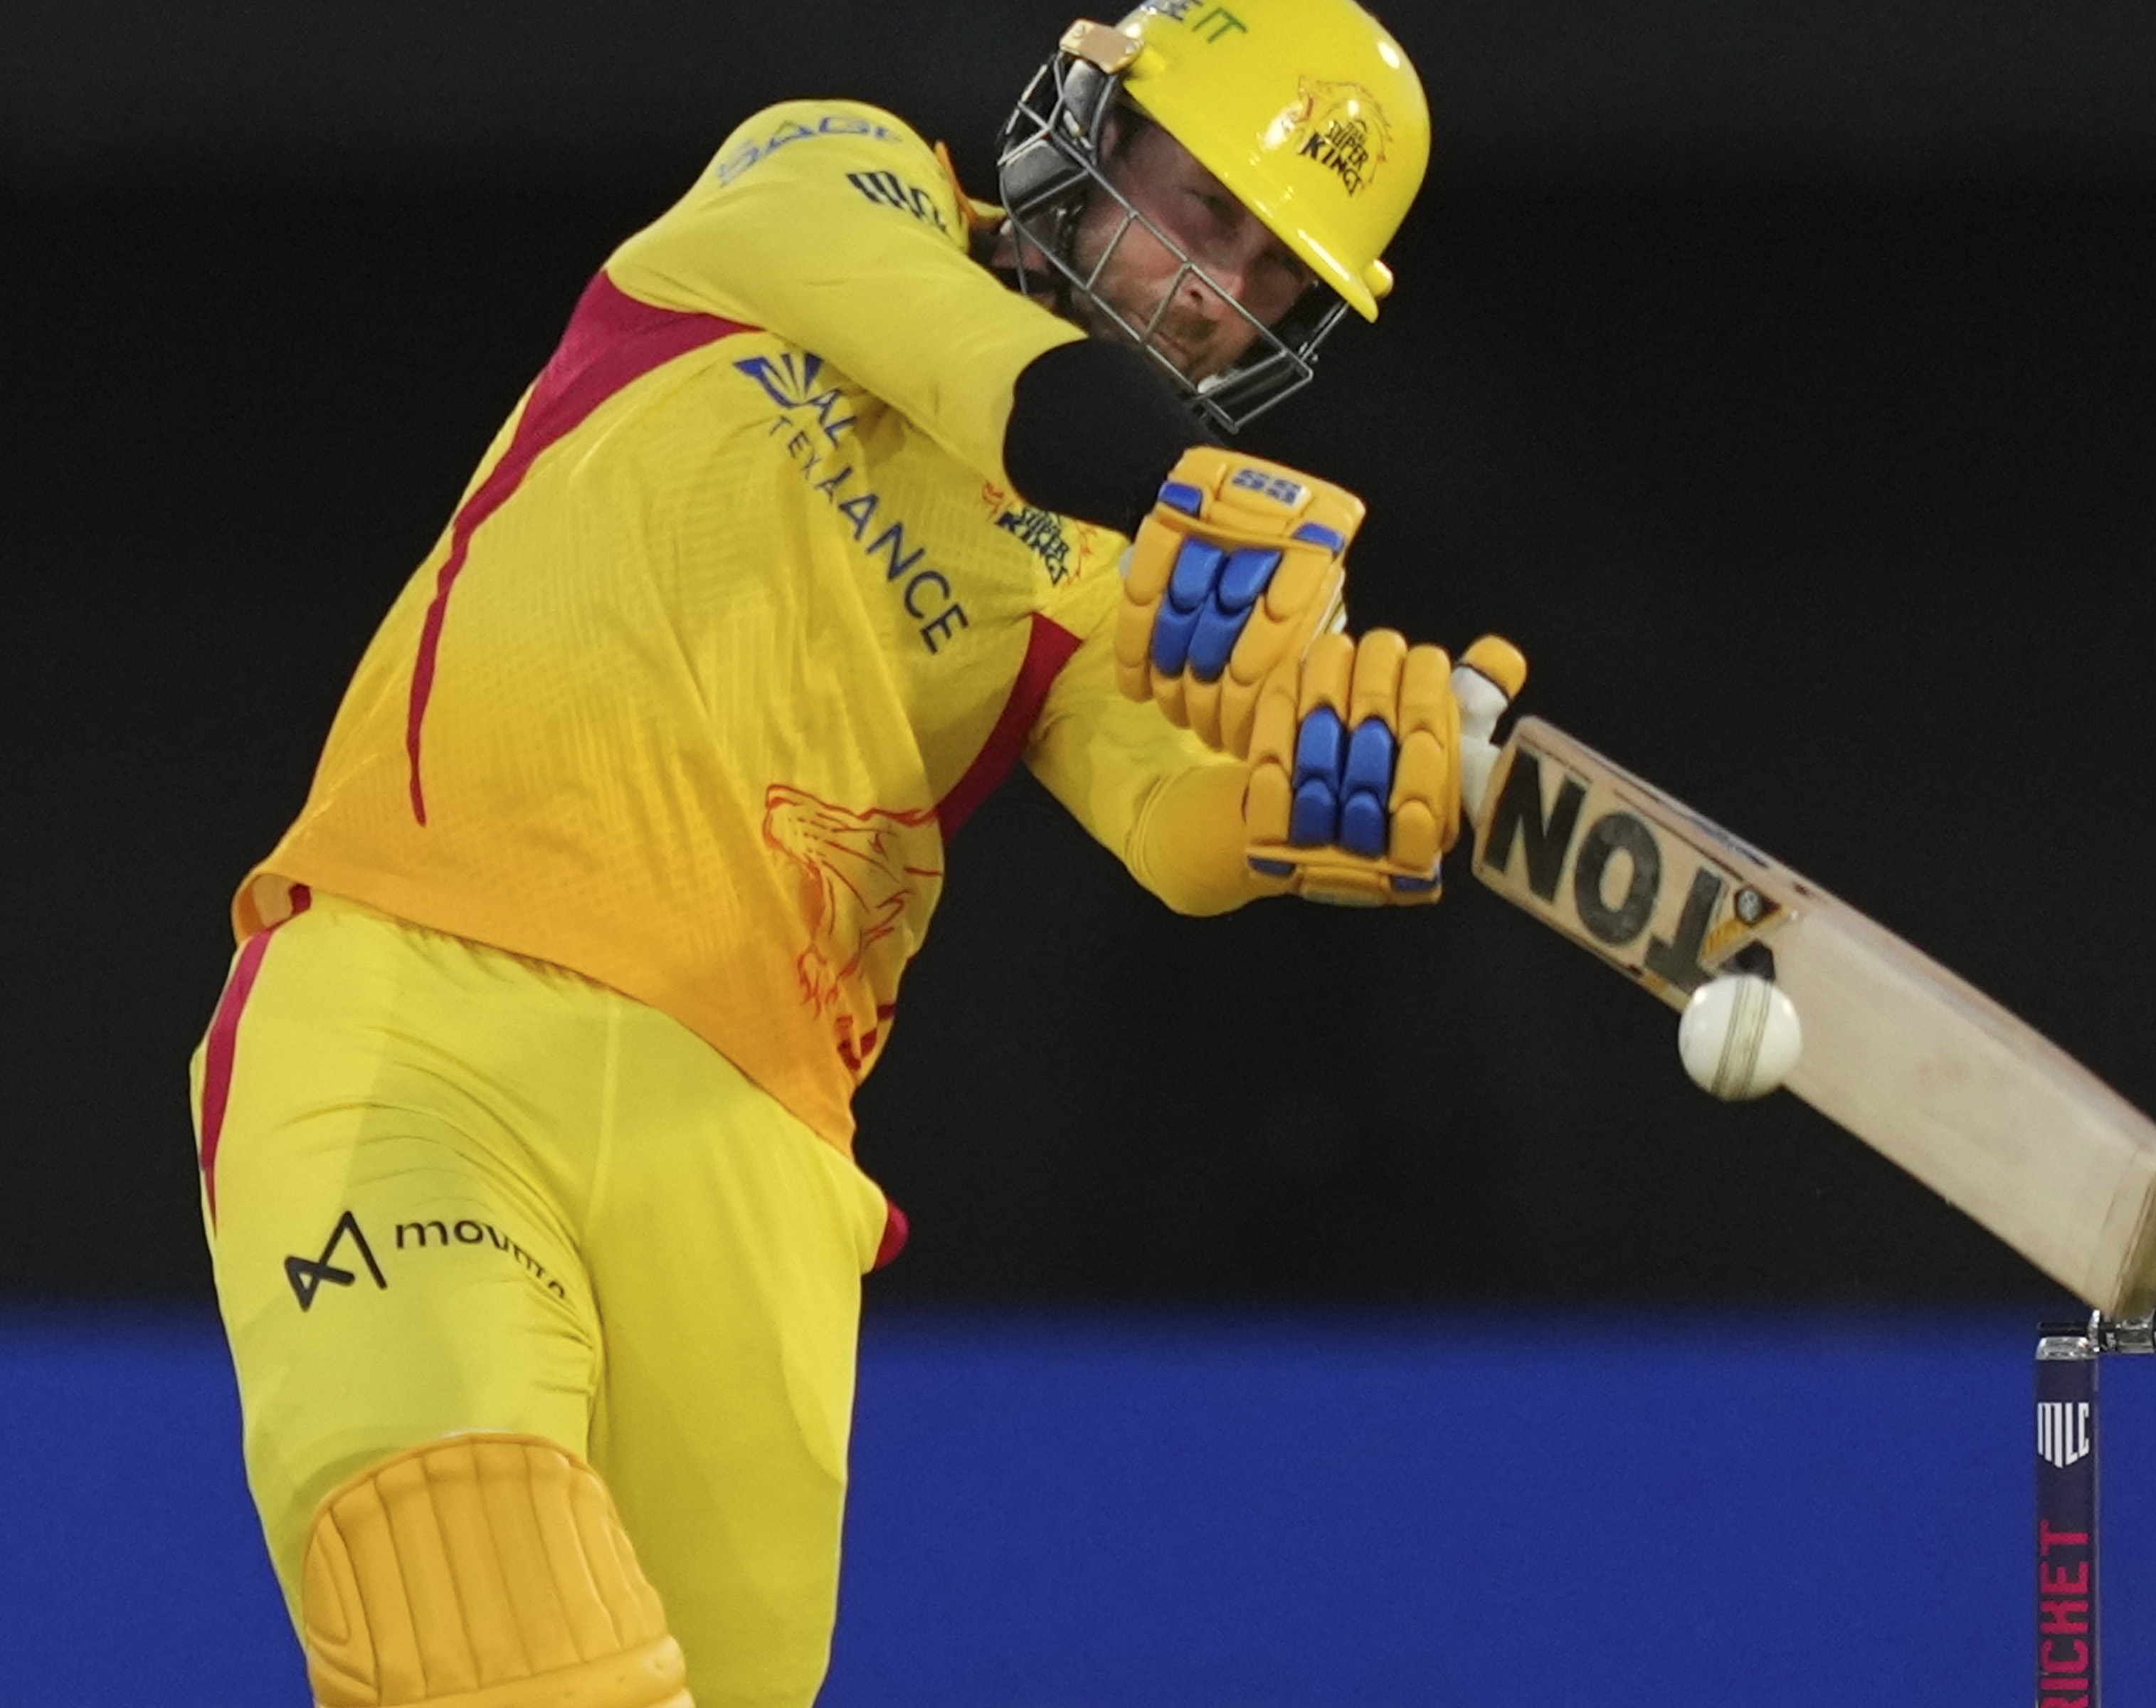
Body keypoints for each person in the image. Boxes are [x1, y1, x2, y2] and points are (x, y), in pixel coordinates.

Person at [188, 3, 1521, 1704]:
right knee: (484, 1617)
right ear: (1092, 125)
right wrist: (1193, 489)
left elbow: (1182, 826)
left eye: (1268, 271)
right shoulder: (832, 176)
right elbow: (975, 365)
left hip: (754, 1163)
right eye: (1199, 204)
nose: (1210, 284)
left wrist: (1323, 780)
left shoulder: (1109, 573)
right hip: (420, 1016)